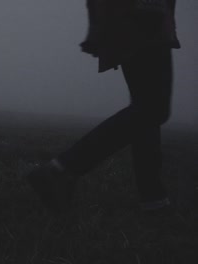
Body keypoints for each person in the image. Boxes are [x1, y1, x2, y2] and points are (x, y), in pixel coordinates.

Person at [26, 0, 181, 214]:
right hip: (143, 14)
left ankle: (153, 197)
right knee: (153, 108)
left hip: (138, 15)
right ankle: (61, 169)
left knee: (146, 107)